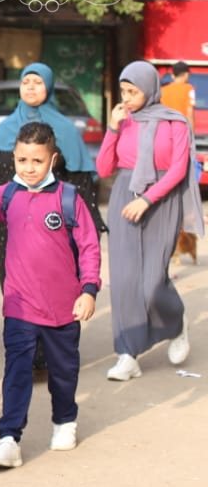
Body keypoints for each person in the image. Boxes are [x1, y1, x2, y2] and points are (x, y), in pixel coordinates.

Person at [0, 123, 102, 468]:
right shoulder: (7, 194)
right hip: (19, 306)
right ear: (14, 158)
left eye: (37, 160)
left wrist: (89, 290)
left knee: (63, 372)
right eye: (22, 160)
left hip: (63, 310)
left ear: (53, 159)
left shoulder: (69, 198)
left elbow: (89, 248)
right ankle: (9, 438)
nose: (29, 168)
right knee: (16, 371)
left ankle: (65, 421)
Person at [95, 61, 204, 381]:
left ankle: (176, 323)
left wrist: (147, 199)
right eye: (123, 92)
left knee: (152, 283)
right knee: (124, 281)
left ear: (150, 89)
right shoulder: (123, 121)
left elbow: (178, 169)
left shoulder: (174, 123)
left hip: (161, 203)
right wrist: (112, 129)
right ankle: (127, 355)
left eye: (133, 92)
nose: (127, 98)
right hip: (124, 199)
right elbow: (103, 169)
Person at [0, 63, 102, 282]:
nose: (30, 87)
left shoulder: (66, 131)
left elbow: (81, 188)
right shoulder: (3, 129)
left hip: (55, 231)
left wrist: (86, 243)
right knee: (14, 296)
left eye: (38, 82)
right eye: (26, 82)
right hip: (11, 230)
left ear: (48, 87)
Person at [160, 62, 199, 264]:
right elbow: (189, 113)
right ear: (185, 75)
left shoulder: (163, 91)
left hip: (165, 139)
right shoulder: (188, 89)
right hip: (182, 137)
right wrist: (192, 137)